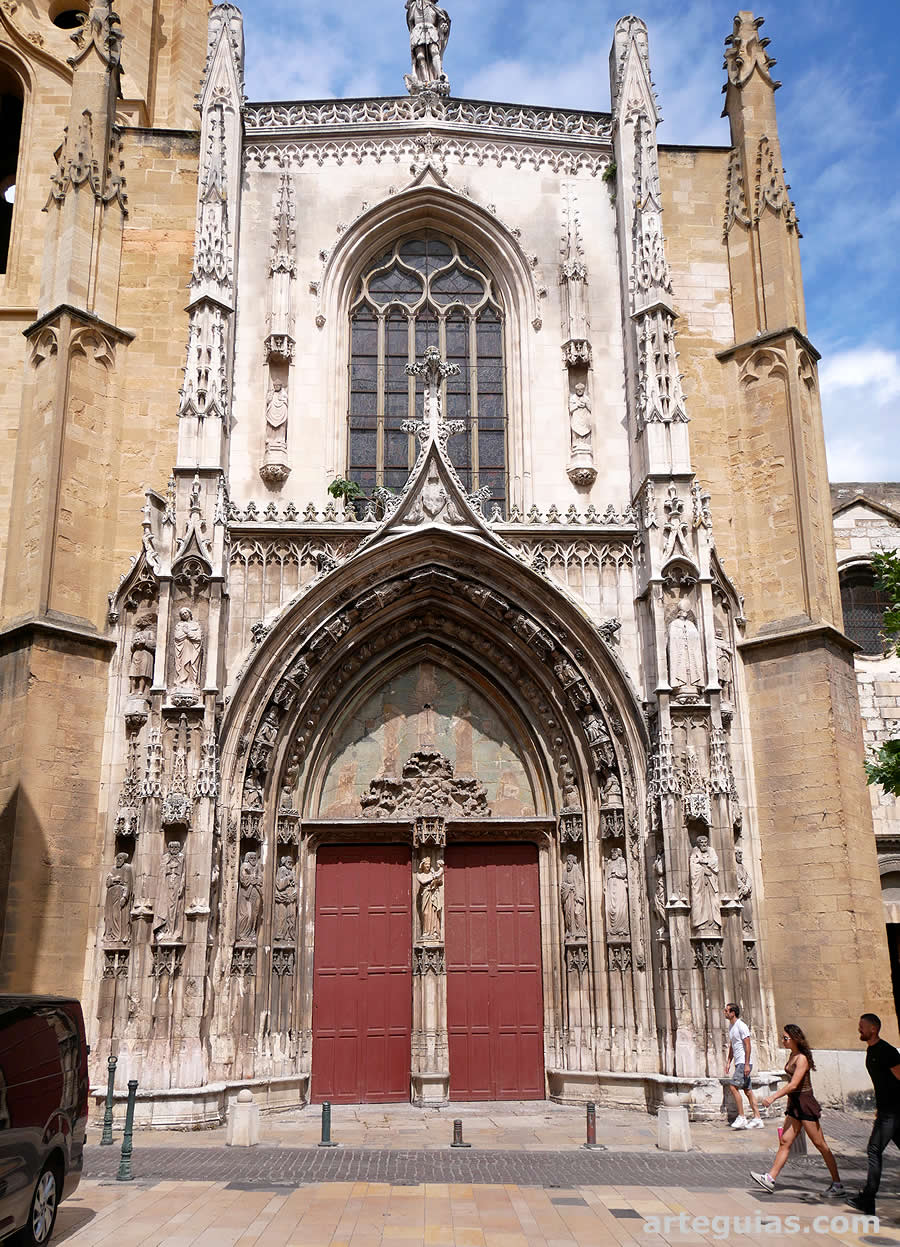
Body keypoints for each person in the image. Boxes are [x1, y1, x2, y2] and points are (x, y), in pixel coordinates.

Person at [751, 1023, 843, 1196]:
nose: (783, 1041)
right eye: (782, 1038)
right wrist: (788, 1105)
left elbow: (794, 1084)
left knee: (820, 1145)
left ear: (794, 1039)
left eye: (785, 1038)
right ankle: (770, 1178)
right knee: (785, 1141)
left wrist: (773, 1097)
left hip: (805, 1104)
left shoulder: (801, 1058)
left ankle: (837, 1184)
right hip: (795, 1105)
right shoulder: (793, 1054)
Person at [846, 1012, 900, 1215]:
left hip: (893, 1112)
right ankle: (867, 1198)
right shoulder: (872, 1050)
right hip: (888, 1110)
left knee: (873, 1150)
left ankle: (868, 1199)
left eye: (862, 1026)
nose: (859, 1029)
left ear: (873, 1029)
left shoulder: (886, 1051)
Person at [723, 1002, 763, 1130]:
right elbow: (732, 1046)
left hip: (744, 1063)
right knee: (748, 1091)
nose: (725, 1012)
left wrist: (746, 1064)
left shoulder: (741, 1026)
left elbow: (747, 1045)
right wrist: (729, 1062)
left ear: (733, 1013)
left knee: (733, 1086)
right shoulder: (731, 1027)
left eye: (726, 1010)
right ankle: (757, 1118)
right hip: (739, 1062)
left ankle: (742, 1117)